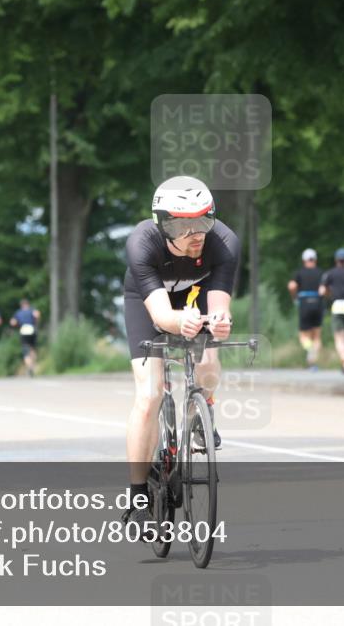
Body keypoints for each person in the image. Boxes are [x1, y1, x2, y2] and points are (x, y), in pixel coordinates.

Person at [121, 176, 238, 535]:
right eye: (183, 225)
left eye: (204, 221)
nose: (196, 232)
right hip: (149, 304)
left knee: (208, 360)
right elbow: (160, 317)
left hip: (195, 299)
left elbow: (218, 304)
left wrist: (219, 322)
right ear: (163, 224)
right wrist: (179, 322)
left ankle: (201, 415)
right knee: (150, 394)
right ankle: (138, 495)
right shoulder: (142, 244)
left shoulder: (224, 243)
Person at [288, 248, 324, 371]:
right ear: (315, 260)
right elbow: (325, 289)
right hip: (318, 303)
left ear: (304, 260)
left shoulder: (299, 273)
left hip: (304, 303)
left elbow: (292, 286)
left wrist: (295, 297)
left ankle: (310, 351)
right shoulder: (321, 273)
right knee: (317, 336)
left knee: (304, 336)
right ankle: (313, 363)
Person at [10, 299, 40, 377]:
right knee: (33, 348)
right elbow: (37, 315)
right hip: (32, 329)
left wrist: (17, 325)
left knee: (25, 350)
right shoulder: (32, 310)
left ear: (22, 305)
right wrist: (36, 322)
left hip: (23, 330)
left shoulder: (18, 312)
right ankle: (32, 366)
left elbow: (12, 322)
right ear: (28, 304)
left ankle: (29, 366)